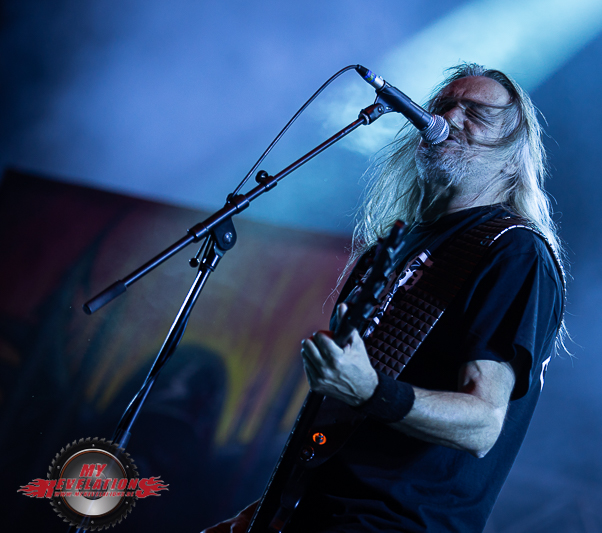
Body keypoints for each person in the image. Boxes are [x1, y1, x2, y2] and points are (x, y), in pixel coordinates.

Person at [204, 63, 566, 533]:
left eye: (476, 113)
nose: (449, 118)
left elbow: (482, 423)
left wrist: (373, 391)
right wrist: (272, 508)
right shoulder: (392, 248)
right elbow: (341, 416)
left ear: (513, 157)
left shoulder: (512, 251)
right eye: (442, 106)